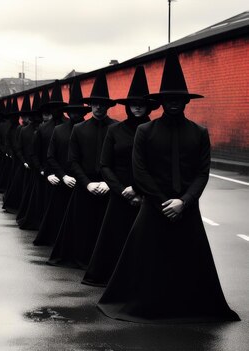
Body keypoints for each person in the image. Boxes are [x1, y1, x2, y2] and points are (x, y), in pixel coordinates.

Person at [98, 51, 240, 323]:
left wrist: (183, 202)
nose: (174, 103)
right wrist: (164, 202)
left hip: (186, 207)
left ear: (186, 101)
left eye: (178, 98)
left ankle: (190, 305)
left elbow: (202, 172)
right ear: (161, 102)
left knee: (190, 261)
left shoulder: (198, 132)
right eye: (168, 99)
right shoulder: (145, 132)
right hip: (154, 207)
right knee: (149, 261)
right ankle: (149, 304)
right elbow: (139, 171)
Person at [83, 66, 156, 286]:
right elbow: (105, 165)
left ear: (147, 106)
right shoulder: (115, 131)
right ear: (127, 106)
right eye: (133, 103)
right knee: (116, 239)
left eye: (141, 104)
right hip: (120, 193)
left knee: (146, 241)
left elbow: (157, 165)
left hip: (148, 194)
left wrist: (138, 189)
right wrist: (123, 189)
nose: (137, 107)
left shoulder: (155, 130)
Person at [48, 73, 117, 269]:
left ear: (108, 106)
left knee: (106, 228)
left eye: (102, 104)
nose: (99, 107)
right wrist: (87, 183)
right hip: (85, 184)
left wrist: (107, 182)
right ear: (91, 105)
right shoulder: (79, 129)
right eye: (95, 103)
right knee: (83, 227)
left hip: (107, 185)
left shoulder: (116, 128)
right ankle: (82, 260)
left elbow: (119, 162)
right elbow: (73, 161)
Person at [34, 80, 90, 246]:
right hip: (62, 177)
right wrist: (54, 174)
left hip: (82, 178)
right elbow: (49, 156)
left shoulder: (86, 129)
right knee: (59, 212)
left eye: (78, 112)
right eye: (72, 111)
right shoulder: (55, 130)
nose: (75, 115)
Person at [18, 84, 67, 230]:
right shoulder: (43, 128)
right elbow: (35, 152)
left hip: (65, 172)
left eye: (59, 107)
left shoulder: (70, 127)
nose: (56, 110)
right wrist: (41, 170)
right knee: (45, 203)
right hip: (46, 172)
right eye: (53, 107)